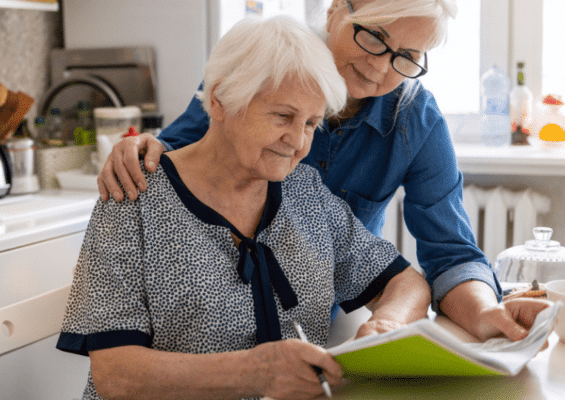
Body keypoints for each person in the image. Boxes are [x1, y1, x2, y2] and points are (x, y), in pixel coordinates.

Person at [96, 0, 552, 342]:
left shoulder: (415, 121)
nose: (378, 66)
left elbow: (450, 255)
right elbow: (181, 154)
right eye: (373, 36)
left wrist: (486, 312)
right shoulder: (262, 67)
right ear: (336, 9)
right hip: (207, 322)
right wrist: (137, 147)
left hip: (318, 322)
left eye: (406, 56)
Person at [58, 15, 432, 400]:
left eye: (311, 123)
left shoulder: (306, 194)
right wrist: (256, 372)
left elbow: (406, 283)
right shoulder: (133, 196)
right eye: (283, 116)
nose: (298, 143)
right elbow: (115, 375)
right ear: (220, 100)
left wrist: (387, 324)